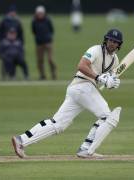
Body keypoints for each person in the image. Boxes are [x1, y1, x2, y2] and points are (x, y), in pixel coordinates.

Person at [12, 28, 123, 158]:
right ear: (106, 40)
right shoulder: (95, 50)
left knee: (59, 124)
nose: (112, 43)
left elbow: (107, 80)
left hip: (83, 91)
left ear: (119, 44)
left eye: (115, 42)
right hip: (82, 86)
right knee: (108, 117)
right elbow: (81, 65)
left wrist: (112, 83)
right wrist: (99, 77)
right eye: (110, 40)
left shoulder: (115, 61)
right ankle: (86, 149)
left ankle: (21, 140)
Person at [0, 5, 26, 80]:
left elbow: (21, 33)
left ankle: (14, 76)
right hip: (6, 43)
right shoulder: (4, 20)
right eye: (12, 12)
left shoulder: (17, 21)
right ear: (9, 12)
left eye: (14, 12)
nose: (13, 13)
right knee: (5, 61)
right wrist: (1, 41)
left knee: (17, 58)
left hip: (15, 42)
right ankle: (4, 76)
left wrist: (21, 42)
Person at [32, 5, 56, 80]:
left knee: (50, 59)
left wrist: (48, 38)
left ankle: (53, 74)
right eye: (39, 13)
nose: (40, 14)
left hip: (48, 43)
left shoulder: (48, 20)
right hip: (39, 44)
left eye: (41, 13)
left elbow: (52, 30)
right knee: (40, 60)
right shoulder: (34, 21)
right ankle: (42, 75)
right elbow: (33, 31)